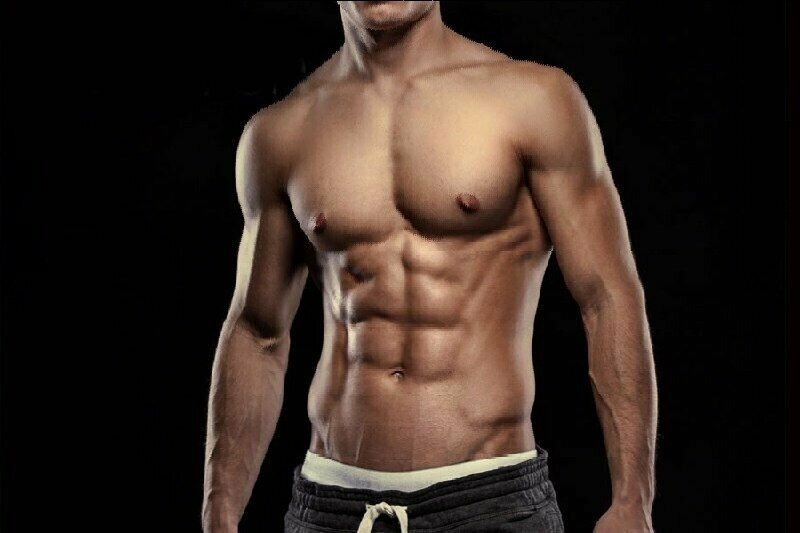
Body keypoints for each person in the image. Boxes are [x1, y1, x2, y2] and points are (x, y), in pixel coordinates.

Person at [202, 2, 658, 532]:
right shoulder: (281, 132)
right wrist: (219, 511)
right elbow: (257, 332)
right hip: (331, 506)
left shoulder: (533, 101)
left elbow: (606, 296)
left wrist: (632, 500)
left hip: (489, 501)